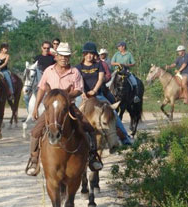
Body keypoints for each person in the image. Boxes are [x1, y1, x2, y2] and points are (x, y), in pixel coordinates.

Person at [25, 42, 103, 176]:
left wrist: (65, 95)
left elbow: (79, 90)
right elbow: (42, 88)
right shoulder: (48, 71)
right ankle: (34, 159)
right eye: (61, 55)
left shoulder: (75, 72)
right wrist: (35, 108)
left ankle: (92, 156)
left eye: (66, 56)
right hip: (51, 109)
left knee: (88, 128)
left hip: (68, 106)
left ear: (69, 57)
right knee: (35, 131)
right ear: (56, 56)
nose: (64, 58)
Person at [76, 42, 132, 145]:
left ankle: (125, 138)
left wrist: (94, 90)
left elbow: (100, 79)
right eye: (87, 53)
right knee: (73, 113)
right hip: (82, 95)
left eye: (91, 53)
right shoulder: (78, 67)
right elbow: (78, 81)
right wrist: (83, 92)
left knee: (113, 113)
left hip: (98, 95)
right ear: (84, 54)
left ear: (94, 55)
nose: (89, 55)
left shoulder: (99, 65)